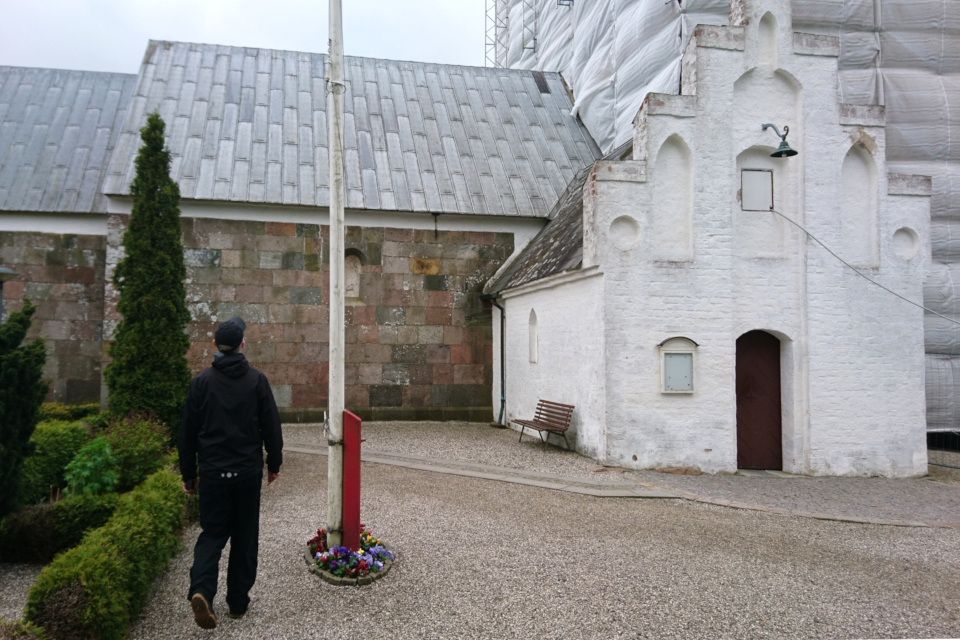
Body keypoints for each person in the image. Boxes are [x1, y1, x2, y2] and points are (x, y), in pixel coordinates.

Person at [178, 316, 284, 629]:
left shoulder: (200, 383)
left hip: (212, 474)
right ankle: (237, 603)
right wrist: (273, 464)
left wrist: (189, 474)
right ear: (242, 345)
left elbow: (187, 434)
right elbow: (271, 428)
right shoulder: (256, 381)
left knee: (211, 534)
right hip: (246, 474)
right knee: (244, 536)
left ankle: (202, 590)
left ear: (215, 346)